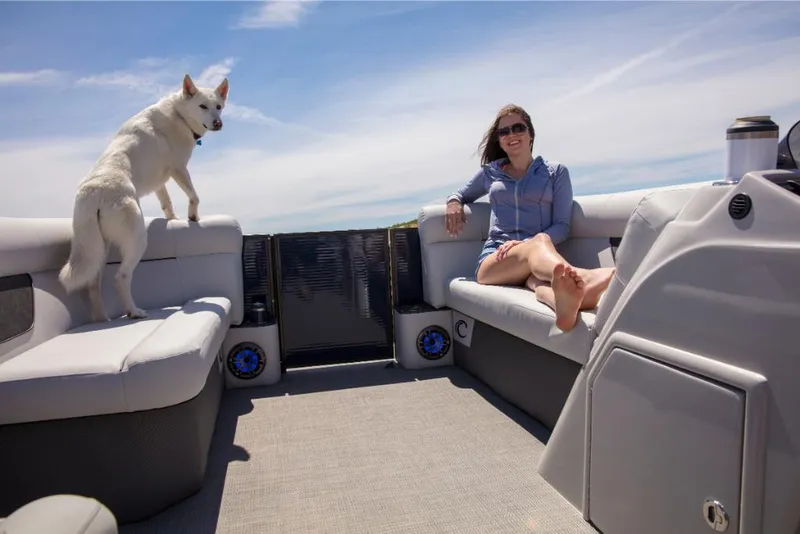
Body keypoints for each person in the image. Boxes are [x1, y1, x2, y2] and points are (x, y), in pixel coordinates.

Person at [444, 104, 615, 332]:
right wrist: (454, 202)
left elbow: (562, 227)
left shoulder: (556, 172)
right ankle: (583, 277)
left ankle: (563, 306)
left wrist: (528, 243)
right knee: (540, 241)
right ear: (499, 140)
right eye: (504, 131)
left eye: (518, 128)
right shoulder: (490, 173)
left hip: (538, 262)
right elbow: (460, 194)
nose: (511, 135)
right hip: (497, 258)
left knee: (538, 283)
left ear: (531, 134)